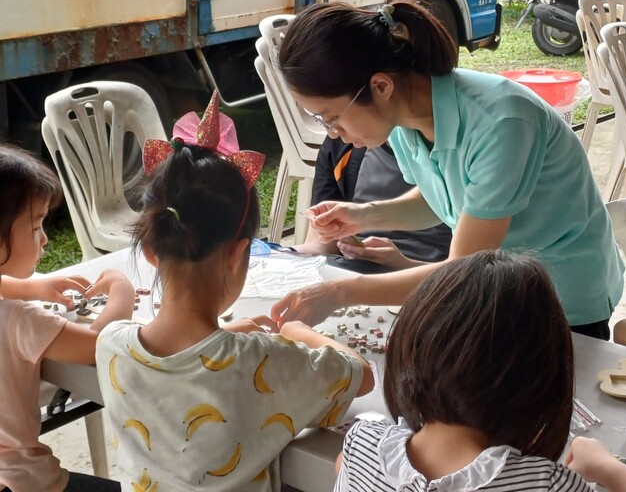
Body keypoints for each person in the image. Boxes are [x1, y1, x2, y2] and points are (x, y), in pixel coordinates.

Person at [270, 0, 624, 339]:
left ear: (380, 86)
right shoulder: (405, 120)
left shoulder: (502, 122)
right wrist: (363, 215)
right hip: (500, 287)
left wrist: (342, 293)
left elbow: (464, 269)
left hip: (564, 299)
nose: (336, 135)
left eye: (334, 119)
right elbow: (440, 198)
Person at [95, 92, 374, 492]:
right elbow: (360, 376)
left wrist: (230, 336)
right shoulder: (261, 361)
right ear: (239, 254)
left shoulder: (110, 345)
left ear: (152, 252)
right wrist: (295, 334)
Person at [334, 250, 626, 492]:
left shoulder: (361, 443)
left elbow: (346, 470)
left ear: (409, 352)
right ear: (542, 386)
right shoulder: (549, 484)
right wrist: (612, 470)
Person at [0, 144, 135, 492]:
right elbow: (100, 347)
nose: (44, 238)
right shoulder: (19, 320)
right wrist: (122, 290)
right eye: (34, 227)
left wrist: (32, 287)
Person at [294, 136, 452, 272]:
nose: (332, 132)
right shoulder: (342, 143)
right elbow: (319, 246)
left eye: (334, 117)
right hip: (361, 273)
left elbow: (466, 277)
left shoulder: (456, 149)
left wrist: (402, 265)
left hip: (436, 285)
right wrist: (279, 254)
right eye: (320, 120)